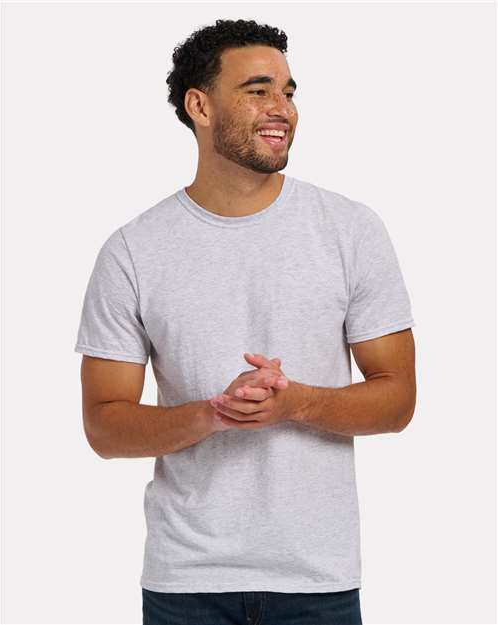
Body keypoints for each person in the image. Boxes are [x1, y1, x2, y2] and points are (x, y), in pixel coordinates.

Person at [74, 18, 417, 625]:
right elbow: (104, 426)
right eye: (258, 90)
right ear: (200, 106)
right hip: (187, 583)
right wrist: (213, 414)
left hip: (318, 580)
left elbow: (398, 400)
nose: (281, 107)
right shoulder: (133, 250)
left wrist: (296, 403)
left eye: (288, 91)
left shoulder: (350, 230)